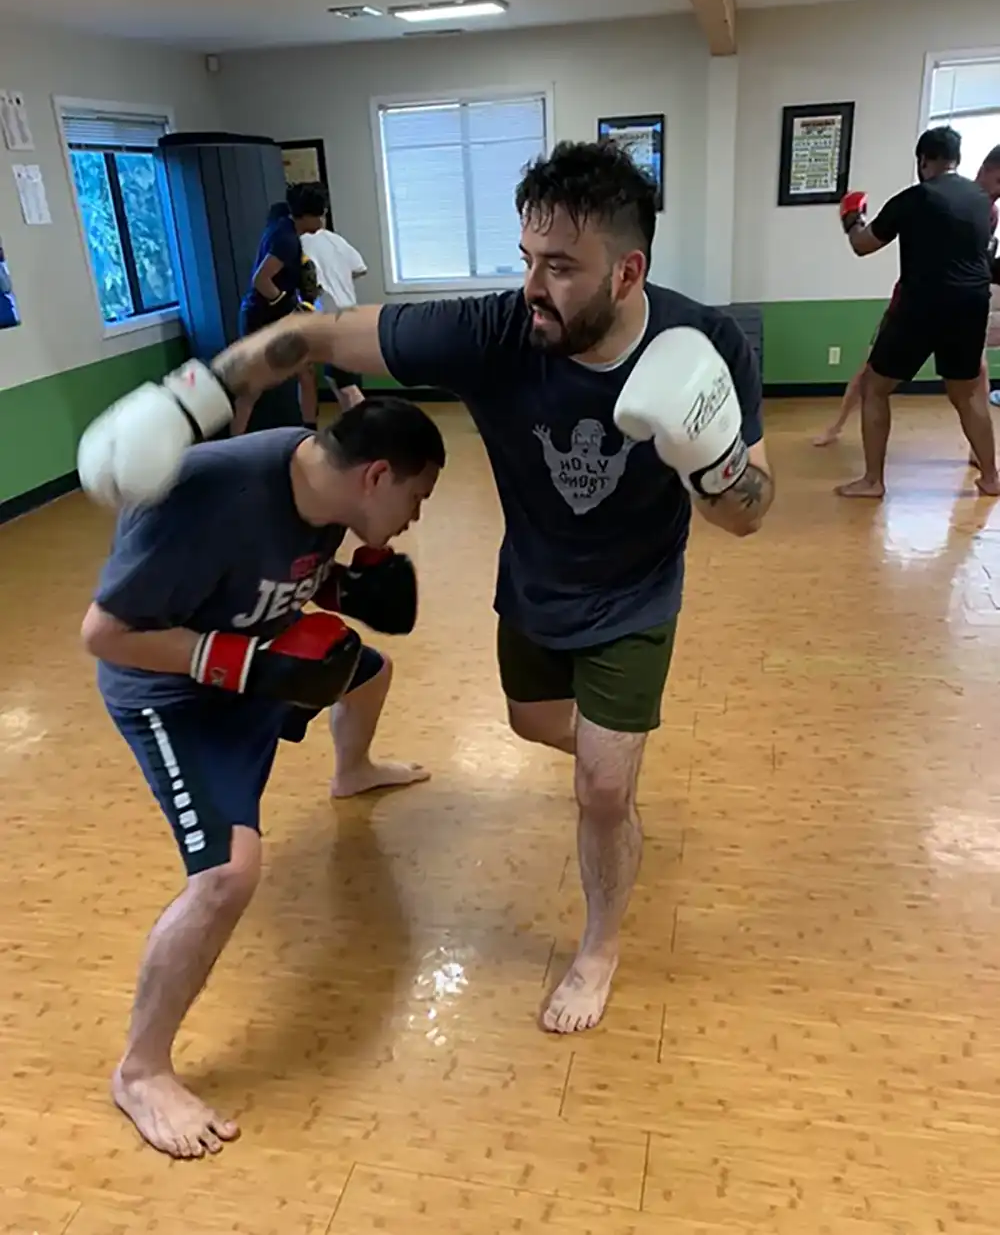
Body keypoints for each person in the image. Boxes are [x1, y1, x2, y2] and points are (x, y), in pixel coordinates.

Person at [75, 139, 776, 1039]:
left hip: (636, 595)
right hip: (533, 584)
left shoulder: (706, 343)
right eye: (528, 259)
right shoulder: (497, 333)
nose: (533, 286)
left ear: (628, 270)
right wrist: (201, 394)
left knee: (602, 788)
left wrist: (715, 463)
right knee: (531, 724)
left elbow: (750, 514)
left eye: (560, 267)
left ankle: (599, 941)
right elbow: (313, 336)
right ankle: (614, 753)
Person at [79, 400, 443, 1159]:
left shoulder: (324, 482)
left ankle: (352, 771)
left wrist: (344, 591)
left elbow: (277, 573)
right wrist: (235, 663)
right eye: (416, 499)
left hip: (246, 654)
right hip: (171, 695)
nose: (414, 519)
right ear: (377, 476)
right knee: (228, 876)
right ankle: (141, 1071)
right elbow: (105, 635)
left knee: (367, 675)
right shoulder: (208, 497)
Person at [837, 126, 1000, 497]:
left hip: (922, 304)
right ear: (956, 161)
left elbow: (863, 246)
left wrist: (852, 217)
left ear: (923, 161)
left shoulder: (913, 198)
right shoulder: (982, 202)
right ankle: (992, 478)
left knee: (875, 388)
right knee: (969, 394)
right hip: (972, 303)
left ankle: (873, 482)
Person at [237, 182, 330, 433]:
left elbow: (277, 209)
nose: (323, 220)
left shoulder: (282, 221)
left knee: (306, 373)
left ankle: (309, 431)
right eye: (321, 214)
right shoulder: (286, 240)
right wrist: (290, 306)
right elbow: (261, 280)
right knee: (252, 387)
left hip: (273, 317)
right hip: (261, 318)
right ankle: (232, 443)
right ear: (308, 215)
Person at [301, 223, 369, 410]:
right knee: (335, 377)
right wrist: (340, 279)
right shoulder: (335, 240)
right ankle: (353, 425)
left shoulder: (301, 243)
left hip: (330, 317)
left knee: (346, 384)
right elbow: (361, 268)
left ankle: (371, 428)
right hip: (348, 312)